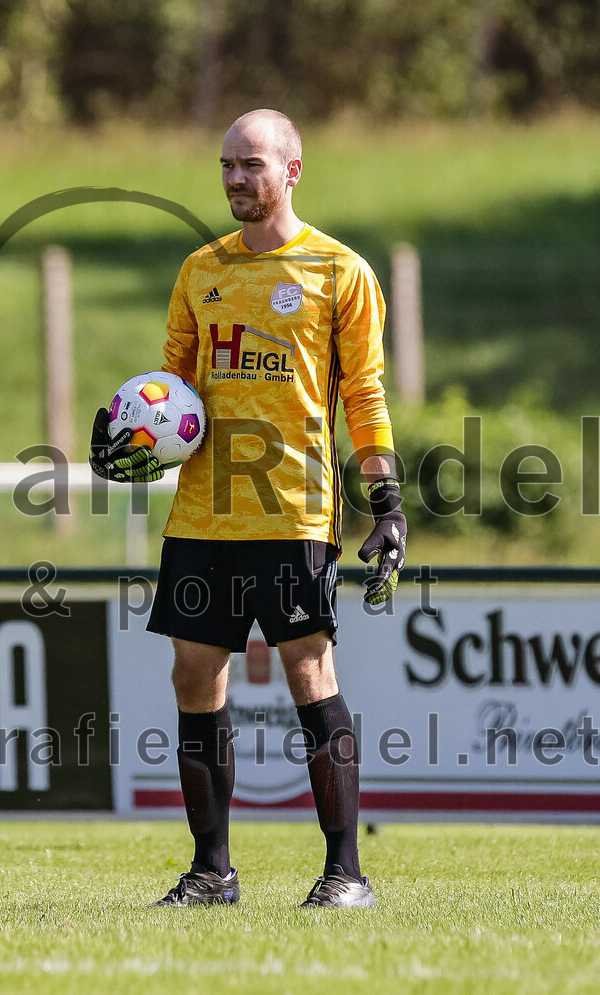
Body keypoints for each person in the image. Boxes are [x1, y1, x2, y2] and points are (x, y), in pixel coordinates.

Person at [89, 109, 407, 909]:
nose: (236, 178)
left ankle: (345, 875)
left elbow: (363, 396)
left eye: (253, 165)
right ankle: (211, 873)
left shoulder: (340, 271)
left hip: (293, 509)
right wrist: (130, 434)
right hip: (201, 513)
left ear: (292, 170)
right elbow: (170, 389)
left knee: (309, 671)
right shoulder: (201, 269)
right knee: (194, 676)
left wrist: (387, 502)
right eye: (228, 164)